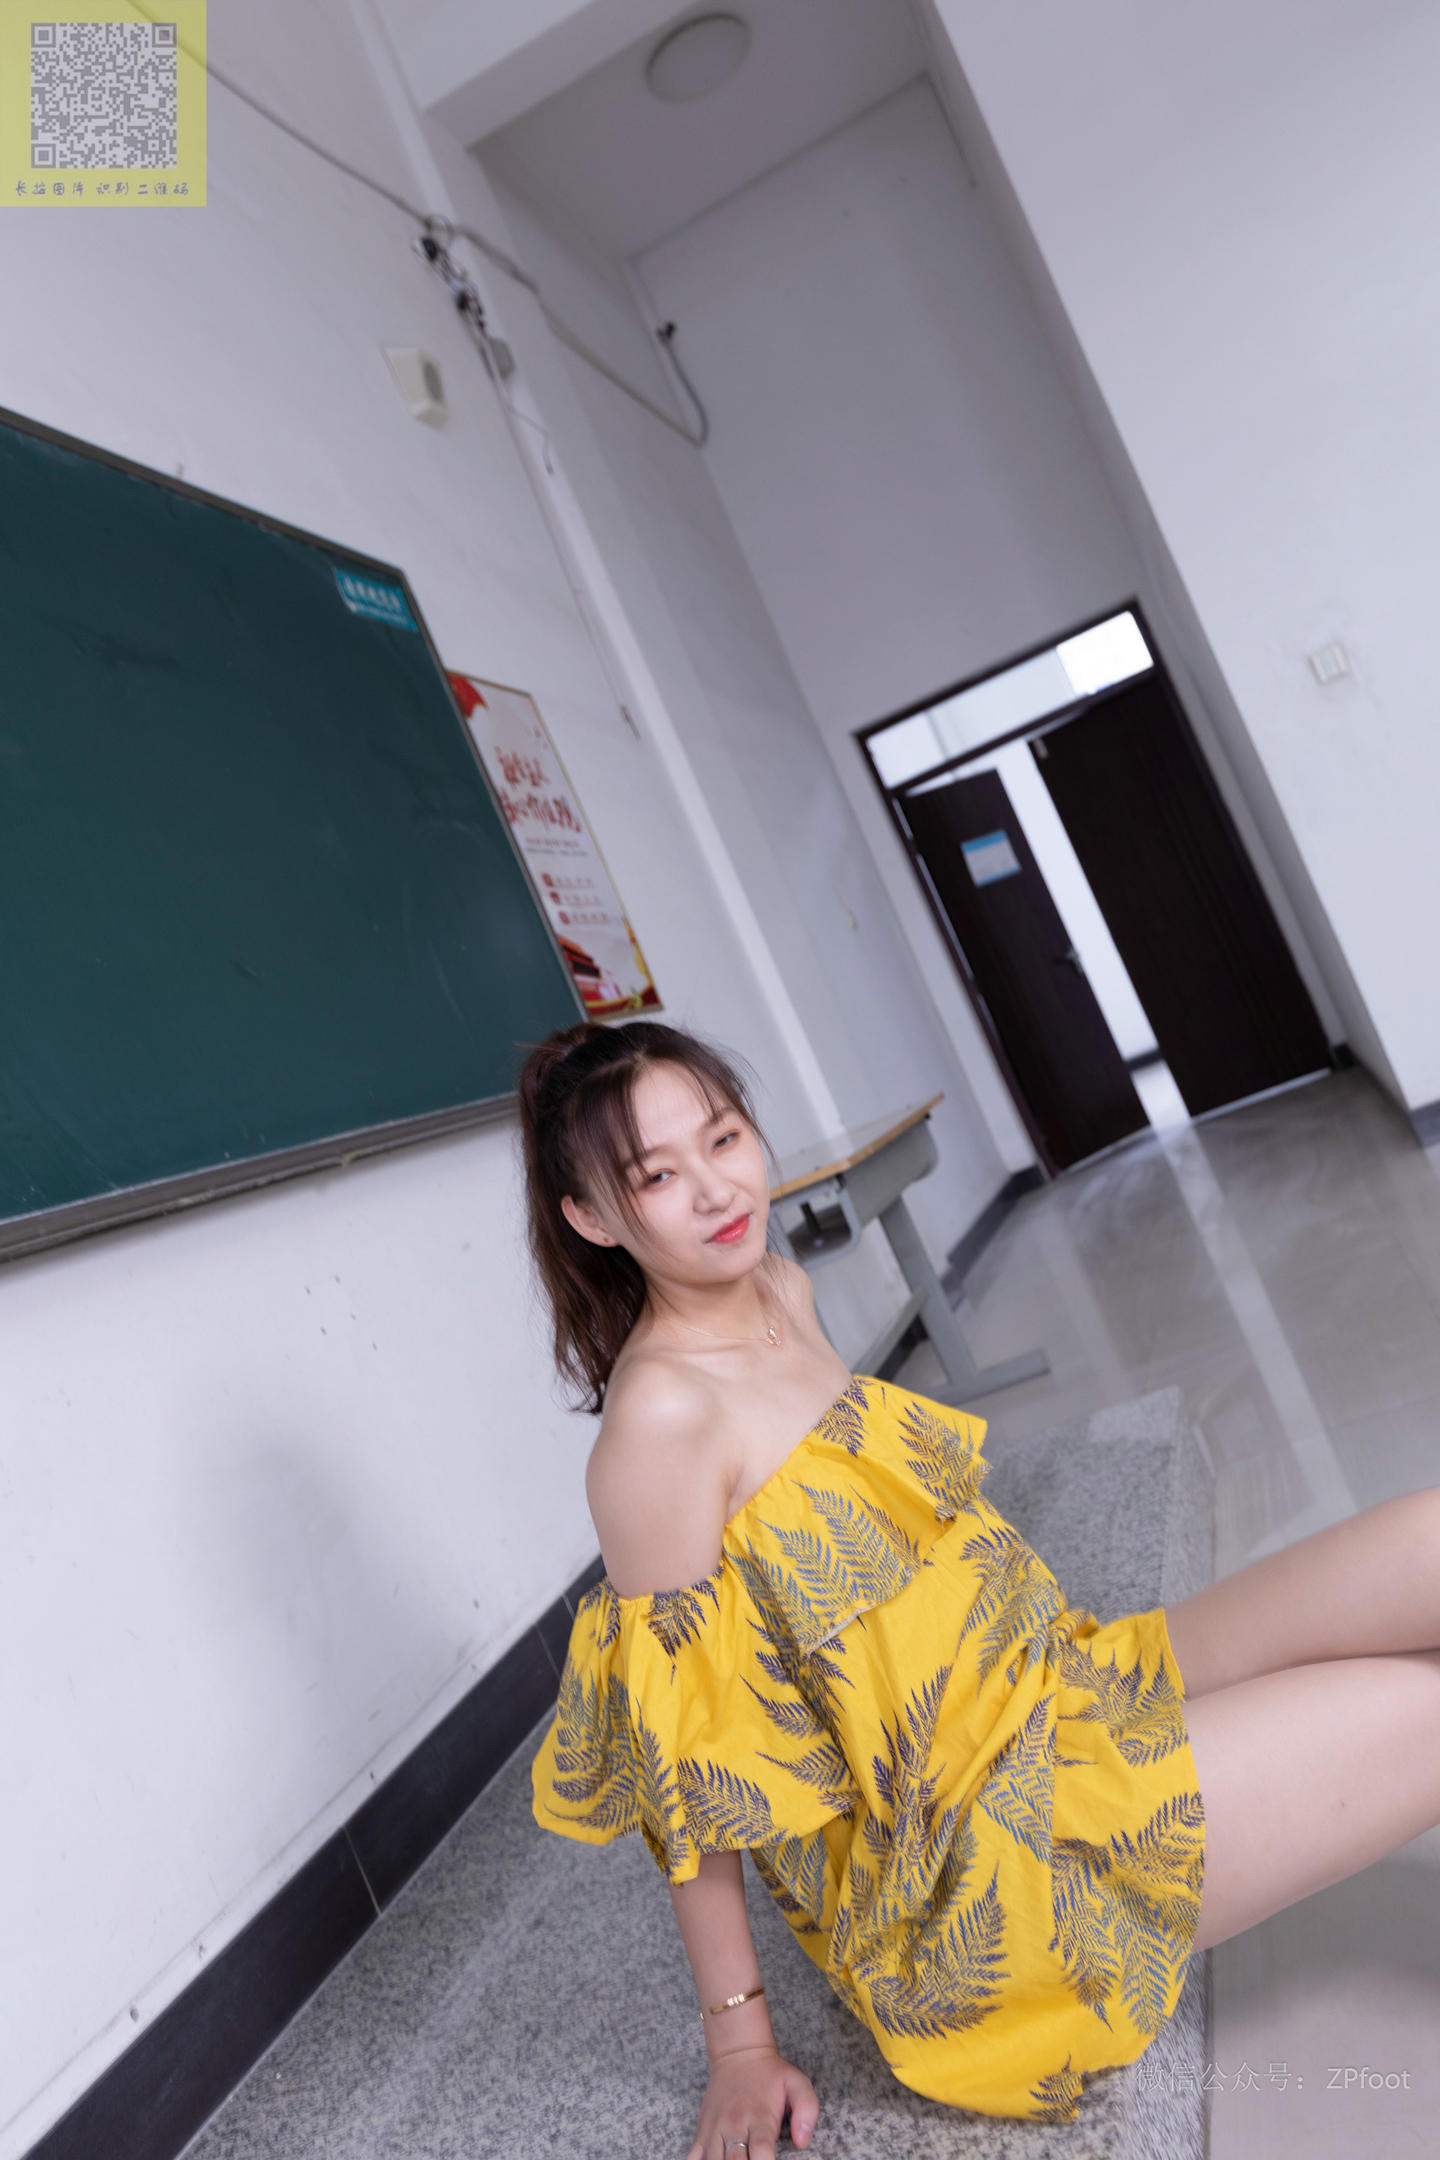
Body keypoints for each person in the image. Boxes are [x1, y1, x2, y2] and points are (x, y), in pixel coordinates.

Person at [523, 1019, 1440, 2157]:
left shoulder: (780, 1291)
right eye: (657, 1177)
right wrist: (741, 2046)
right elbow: (688, 1776)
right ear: (592, 1217)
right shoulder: (657, 1425)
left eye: (723, 1138)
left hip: (1058, 1678)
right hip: (975, 1855)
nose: (716, 1189)